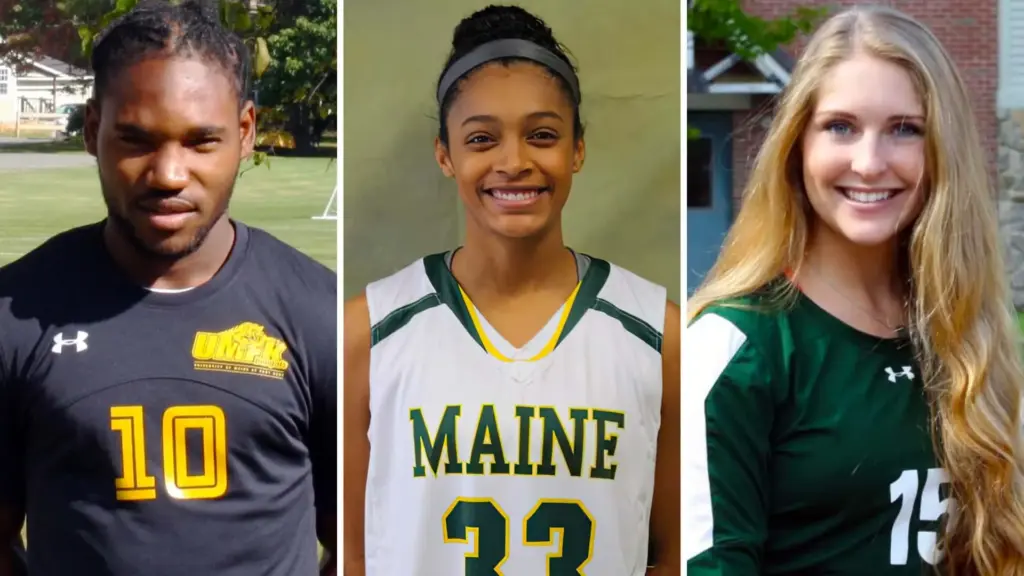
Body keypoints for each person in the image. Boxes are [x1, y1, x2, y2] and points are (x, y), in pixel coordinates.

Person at [684, 5, 1024, 575]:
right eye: (840, 126)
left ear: (943, 151)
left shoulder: (968, 331)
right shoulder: (736, 347)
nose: (869, 162)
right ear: (798, 145)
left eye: (905, 129)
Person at [0, 2, 337, 575]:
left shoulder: (320, 316)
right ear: (91, 130)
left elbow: (362, 539)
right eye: (136, 140)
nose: (169, 175)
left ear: (246, 133)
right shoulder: (15, 316)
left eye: (202, 141)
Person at [343, 5, 680, 576]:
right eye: (481, 139)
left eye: (542, 135)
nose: (514, 162)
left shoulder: (660, 335)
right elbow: (354, 556)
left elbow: (672, 556)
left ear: (577, 148)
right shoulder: (365, 332)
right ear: (445, 155)